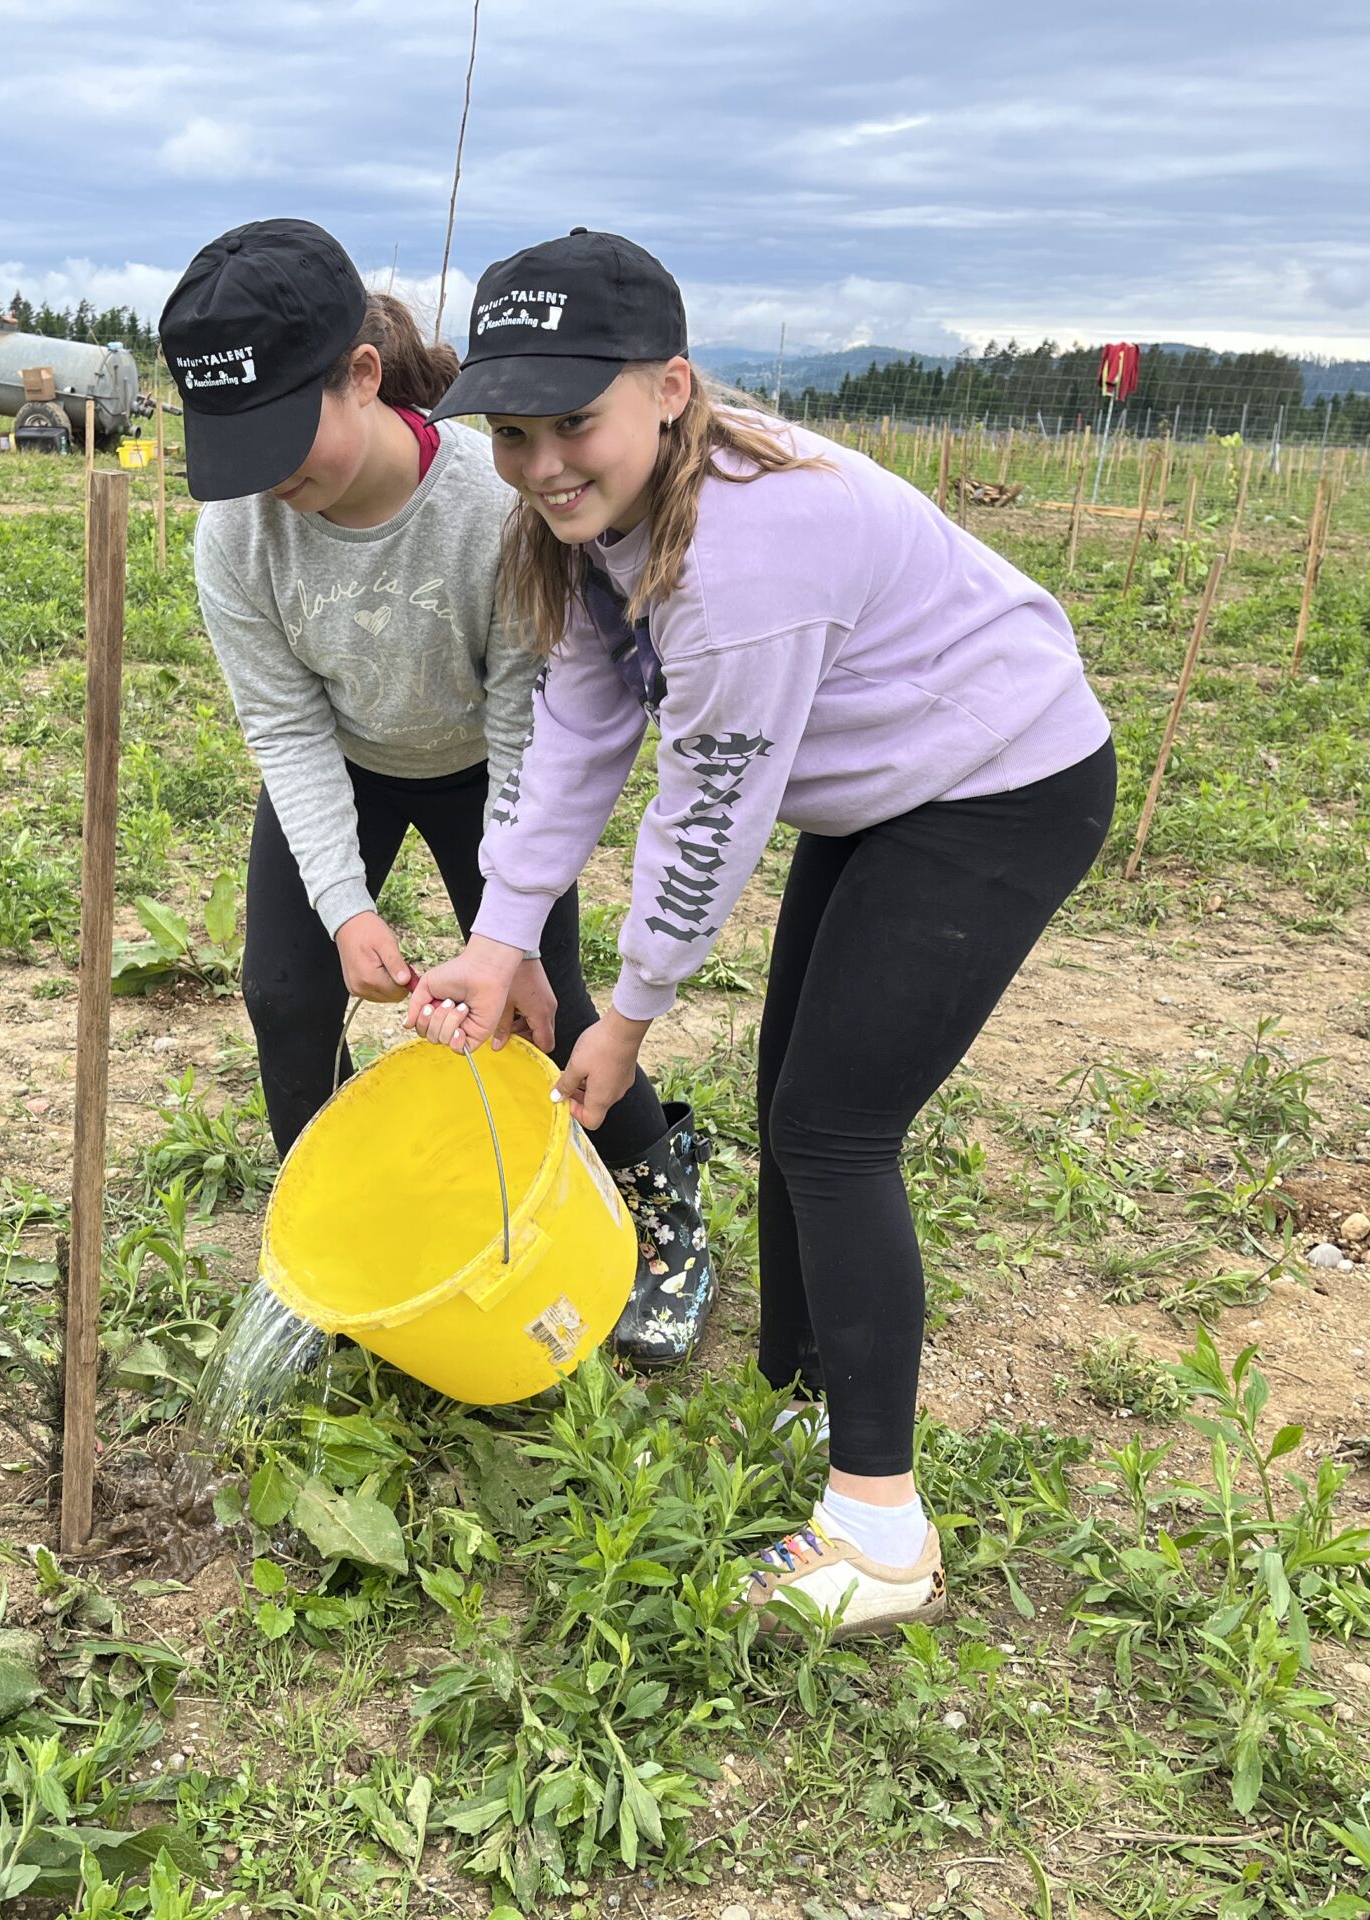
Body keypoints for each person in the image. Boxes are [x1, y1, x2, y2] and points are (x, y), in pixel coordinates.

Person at [406, 230, 1115, 1637]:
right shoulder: (596, 527)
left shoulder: (748, 552)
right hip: (889, 791)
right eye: (511, 432)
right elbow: (580, 730)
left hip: (999, 786)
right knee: (795, 1097)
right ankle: (805, 1396)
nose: (542, 463)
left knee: (834, 1129)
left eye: (573, 422)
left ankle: (880, 1533)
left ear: (670, 387)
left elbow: (705, 816)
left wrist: (624, 1020)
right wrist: (499, 938)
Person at [163, 217, 717, 1364]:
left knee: (541, 1000)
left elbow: (528, 722)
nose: (267, 479)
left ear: (362, 375)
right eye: (237, 451)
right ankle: (339, 1240)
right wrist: (343, 906)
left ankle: (659, 1206)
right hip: (347, 764)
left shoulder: (489, 509)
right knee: (284, 992)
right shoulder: (236, 541)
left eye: (283, 438)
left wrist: (503, 934)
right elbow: (285, 724)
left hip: (488, 770)